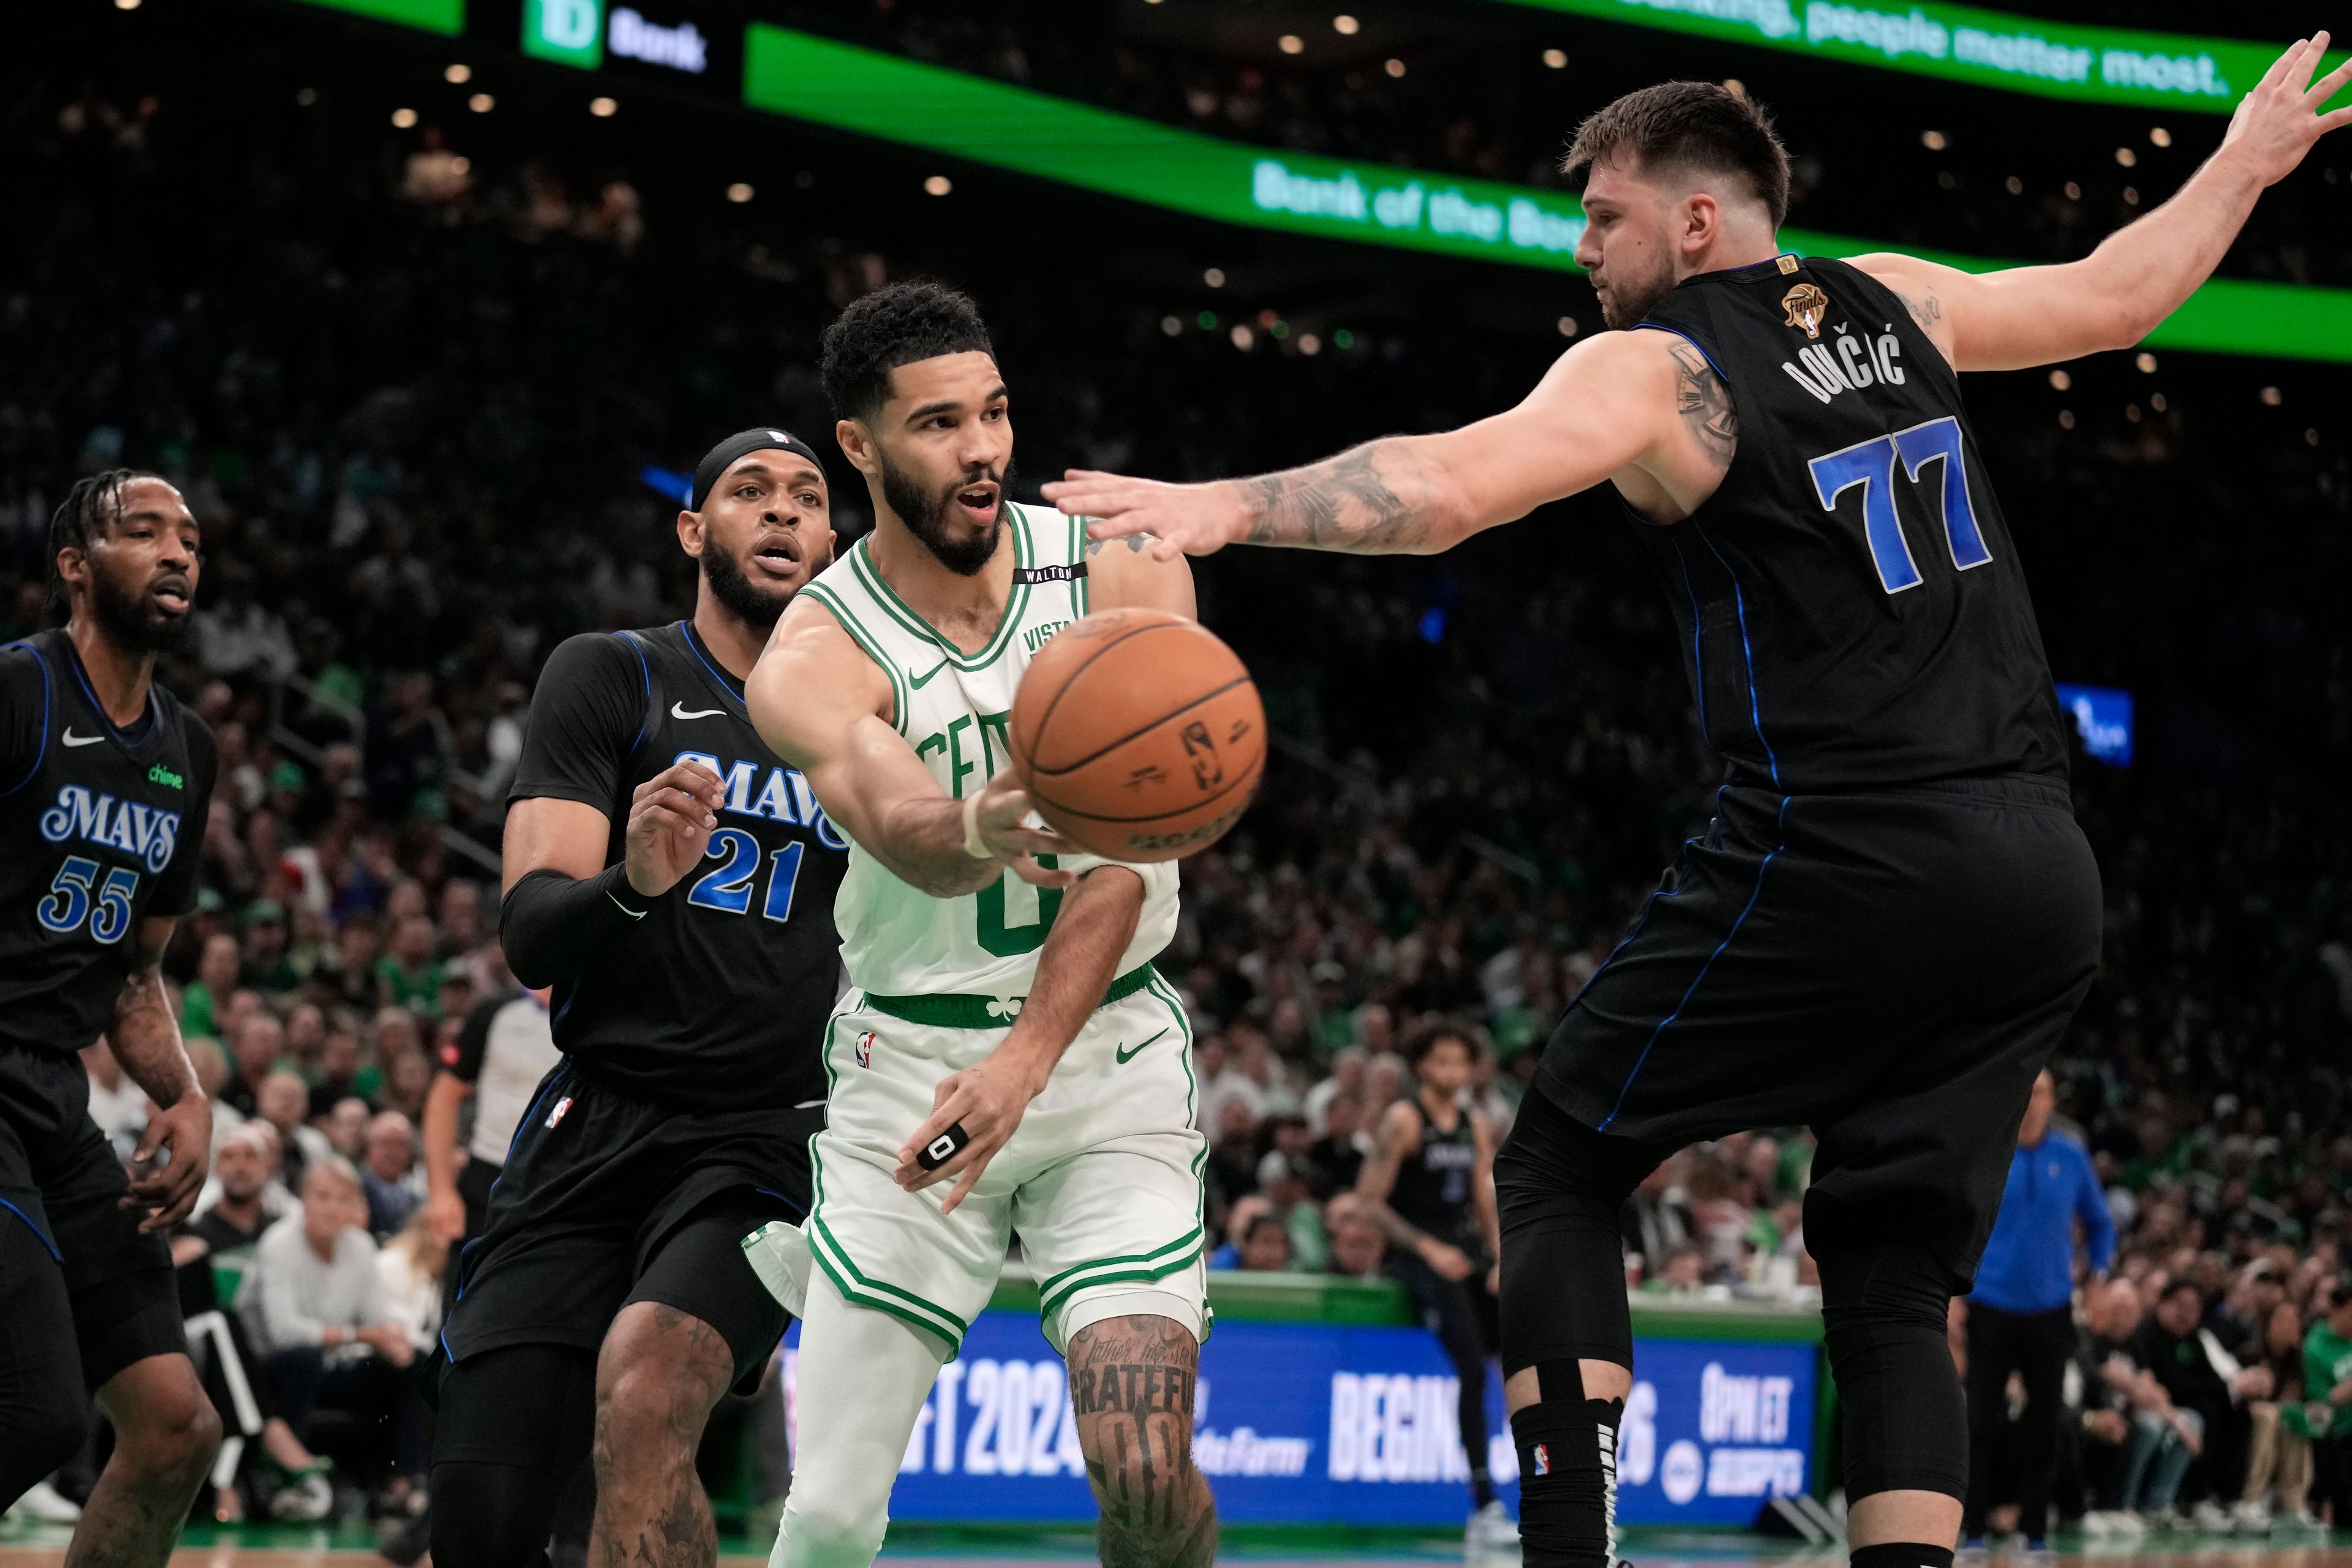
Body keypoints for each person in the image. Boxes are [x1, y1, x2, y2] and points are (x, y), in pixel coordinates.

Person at [1045, 45, 2352, 1568]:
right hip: (2039, 872)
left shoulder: (1662, 360)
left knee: (1553, 1162)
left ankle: (1565, 1544)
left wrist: (1225, 507)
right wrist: (2245, 162)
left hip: (1847, 841)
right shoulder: (1895, 298)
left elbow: (1462, 482)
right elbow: (2121, 292)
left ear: (1691, 224)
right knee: (1882, 1277)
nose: (1580, 249)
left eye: (1599, 217)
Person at [745, 280, 1216, 1568]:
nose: (984, 451)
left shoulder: (1120, 559)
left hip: (1102, 1066)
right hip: (908, 1078)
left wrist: (1024, 1062)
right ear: (861, 445)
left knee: (1143, 1458)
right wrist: (974, 831)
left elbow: (1136, 847)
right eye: (942, 423)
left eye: (996, 413)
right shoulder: (814, 649)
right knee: (833, 1516)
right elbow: (896, 816)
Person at [430, 426, 849, 1568]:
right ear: (692, 529)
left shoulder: (876, 720)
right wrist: (636, 881)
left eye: (808, 498)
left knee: (652, 1380)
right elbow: (529, 931)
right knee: (481, 1520)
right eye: (750, 492)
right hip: (596, 1118)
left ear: (833, 539)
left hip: (771, 1134)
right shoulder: (614, 673)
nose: (781, 513)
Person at [0, 470, 226, 1548]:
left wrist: (182, 1094)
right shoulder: (16, 695)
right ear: (76, 569)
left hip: (50, 1092)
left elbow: (136, 975)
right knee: (34, 1410)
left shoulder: (188, 750)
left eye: (189, 538)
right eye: (145, 533)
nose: (178, 553)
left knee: (176, 1427)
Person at [1357, 1018, 1512, 1549]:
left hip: (1463, 1248)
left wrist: (1497, 1257)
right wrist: (1427, 1249)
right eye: (1441, 1060)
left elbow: (1484, 1197)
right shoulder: (1404, 1119)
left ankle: (1556, 1496)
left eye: (1460, 1061)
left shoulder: (1475, 1121)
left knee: (1522, 1354)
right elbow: (1368, 1201)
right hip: (1415, 1252)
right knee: (1471, 1364)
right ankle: (1484, 1505)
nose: (1451, 1070)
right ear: (1422, 1065)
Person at [1962, 1069, 2115, 1556]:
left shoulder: (2071, 1158)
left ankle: (2035, 1531)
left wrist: (2100, 1279)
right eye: (2024, 1090)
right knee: (1980, 1421)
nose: (2031, 1101)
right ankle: (1973, 1529)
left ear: (2053, 1101)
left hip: (2050, 1307)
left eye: (2041, 1092)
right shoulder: (1989, 1150)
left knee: (2046, 1424)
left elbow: (2101, 1224)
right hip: (1989, 1302)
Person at [239, 1158, 414, 1477]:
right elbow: (284, 1333)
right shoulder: (278, 1245)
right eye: (323, 1197)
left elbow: (380, 1312)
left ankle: (401, 1482)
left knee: (409, 1368)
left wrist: (394, 1336)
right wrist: (364, 1336)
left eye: (343, 1199)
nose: (333, 1208)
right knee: (304, 1359)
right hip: (265, 1373)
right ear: (304, 1200)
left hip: (329, 1365)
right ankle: (284, 1476)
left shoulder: (360, 1246)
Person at [420, 983, 559, 1314]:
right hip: (489, 1181)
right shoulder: (495, 1012)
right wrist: (441, 1190)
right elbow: (443, 1097)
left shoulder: (600, 1014)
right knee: (463, 1311)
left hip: (561, 1186)